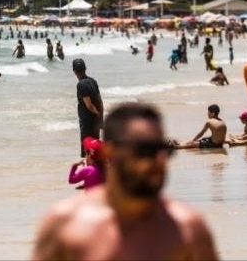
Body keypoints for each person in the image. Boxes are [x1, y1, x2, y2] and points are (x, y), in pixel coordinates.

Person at [32, 102, 218, 261]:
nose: (158, 160)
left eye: (164, 150)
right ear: (110, 153)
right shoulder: (65, 224)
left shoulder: (188, 228)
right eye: (145, 150)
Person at [73, 59, 104, 157]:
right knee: (95, 150)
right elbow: (100, 101)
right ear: (85, 69)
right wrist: (100, 118)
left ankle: (88, 171)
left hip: (87, 123)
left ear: (74, 71)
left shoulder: (80, 84)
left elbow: (89, 105)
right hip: (96, 122)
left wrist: (96, 112)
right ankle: (97, 171)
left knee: (87, 152)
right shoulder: (93, 81)